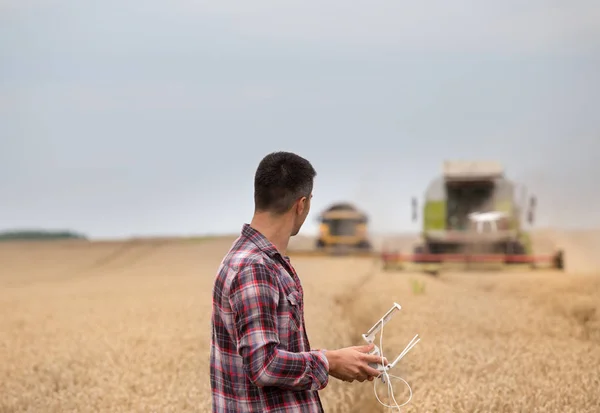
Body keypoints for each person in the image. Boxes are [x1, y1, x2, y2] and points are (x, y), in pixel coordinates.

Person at [210, 151, 385, 413]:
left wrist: (332, 358)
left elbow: (271, 351)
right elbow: (264, 365)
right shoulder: (255, 268)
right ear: (300, 204)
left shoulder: (250, 258)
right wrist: (330, 361)